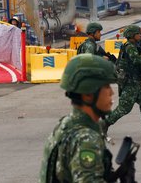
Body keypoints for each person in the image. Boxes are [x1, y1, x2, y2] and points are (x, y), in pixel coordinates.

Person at [40, 54, 118, 182]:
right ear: (88, 94)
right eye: (106, 87)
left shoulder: (66, 124)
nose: (111, 93)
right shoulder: (86, 139)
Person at [102, 25, 141, 139]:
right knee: (124, 108)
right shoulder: (129, 46)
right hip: (129, 83)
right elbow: (136, 60)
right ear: (132, 35)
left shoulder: (135, 44)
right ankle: (103, 124)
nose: (139, 35)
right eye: (137, 34)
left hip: (136, 82)